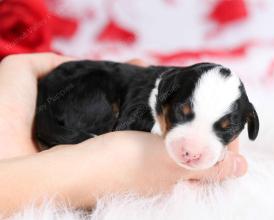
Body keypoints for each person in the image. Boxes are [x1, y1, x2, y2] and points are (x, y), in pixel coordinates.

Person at [0, 53, 247, 217]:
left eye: (222, 130)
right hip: (74, 91)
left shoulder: (172, 90)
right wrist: (83, 169)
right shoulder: (150, 99)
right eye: (182, 115)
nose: (192, 148)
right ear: (166, 95)